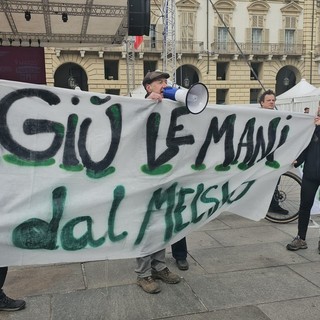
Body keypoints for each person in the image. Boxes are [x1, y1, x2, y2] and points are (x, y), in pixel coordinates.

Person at [143, 70, 189, 271]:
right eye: (160, 82)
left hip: (171, 171)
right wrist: (147, 104)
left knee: (175, 213)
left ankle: (179, 254)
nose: (164, 84)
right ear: (148, 87)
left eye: (165, 81)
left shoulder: (172, 103)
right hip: (149, 175)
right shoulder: (141, 105)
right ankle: (147, 267)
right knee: (150, 220)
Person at [286, 115, 320, 251]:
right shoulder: (312, 127)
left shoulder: (316, 127)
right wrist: (297, 161)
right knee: (305, 206)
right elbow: (306, 147)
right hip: (310, 173)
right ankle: (301, 238)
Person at [259, 90, 289, 215]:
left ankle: (272, 204)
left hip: (274, 155)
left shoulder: (279, 116)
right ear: (262, 103)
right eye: (269, 100)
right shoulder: (257, 115)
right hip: (260, 155)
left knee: (274, 180)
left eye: (273, 100)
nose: (272, 102)